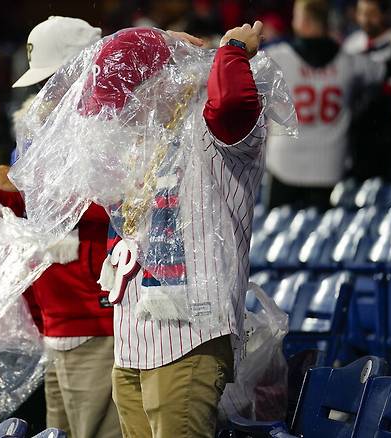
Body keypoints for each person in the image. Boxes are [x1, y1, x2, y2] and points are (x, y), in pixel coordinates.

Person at [84, 24, 265, 438]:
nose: (123, 113)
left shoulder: (210, 128)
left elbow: (233, 104)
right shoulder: (138, 144)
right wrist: (154, 42)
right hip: (131, 336)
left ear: (164, 82)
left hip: (189, 337)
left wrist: (233, 52)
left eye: (131, 96)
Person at [0, 16, 121, 438]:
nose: (45, 90)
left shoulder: (117, 122)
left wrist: (18, 184)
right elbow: (35, 209)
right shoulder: (40, 126)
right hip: (55, 313)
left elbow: (121, 205)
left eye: (53, 78)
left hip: (96, 312)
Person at [265, 0, 391, 209]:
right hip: (329, 167)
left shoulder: (277, 58)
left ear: (303, 21)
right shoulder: (349, 62)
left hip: (285, 166)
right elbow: (388, 68)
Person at [343, 0, 391, 180]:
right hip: (360, 129)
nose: (365, 19)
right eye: (362, 13)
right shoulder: (351, 44)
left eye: (372, 14)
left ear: (385, 14)